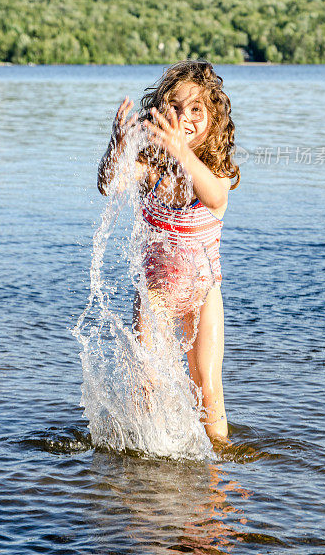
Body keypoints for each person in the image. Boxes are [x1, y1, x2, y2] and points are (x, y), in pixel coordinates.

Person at [97, 60, 240, 442]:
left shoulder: (215, 168)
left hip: (203, 292)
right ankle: (150, 463)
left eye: (197, 110)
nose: (185, 117)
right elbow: (109, 185)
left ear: (214, 119)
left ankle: (218, 469)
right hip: (155, 292)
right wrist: (118, 146)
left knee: (206, 384)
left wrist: (182, 152)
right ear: (160, 112)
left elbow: (215, 195)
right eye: (176, 107)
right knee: (146, 381)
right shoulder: (150, 168)